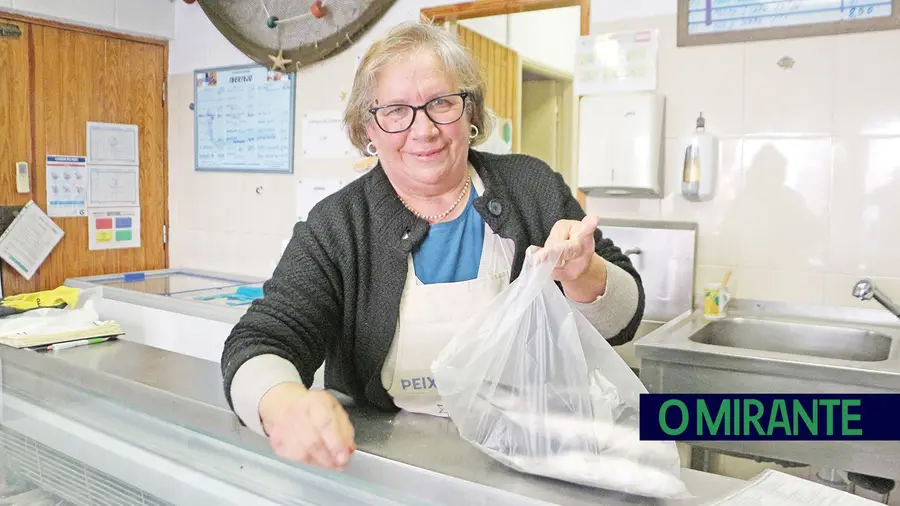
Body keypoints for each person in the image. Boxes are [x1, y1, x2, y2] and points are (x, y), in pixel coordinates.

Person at [221, 21, 645, 472]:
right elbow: (263, 338)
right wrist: (282, 403)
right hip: (391, 467)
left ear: (470, 114)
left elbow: (625, 322)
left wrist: (585, 274)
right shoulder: (339, 226)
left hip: (535, 461)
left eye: (441, 103)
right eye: (397, 110)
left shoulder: (532, 187)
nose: (422, 130)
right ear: (369, 128)